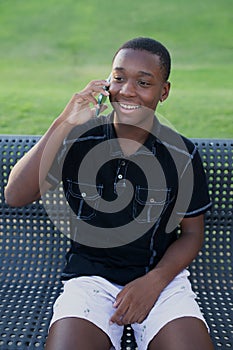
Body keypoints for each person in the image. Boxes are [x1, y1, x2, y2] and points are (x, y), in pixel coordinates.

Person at [5, 37, 214, 350]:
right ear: (106, 82)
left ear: (164, 91)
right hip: (90, 280)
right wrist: (64, 121)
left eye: (144, 82)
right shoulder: (79, 138)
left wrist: (154, 282)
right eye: (118, 78)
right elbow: (16, 195)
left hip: (160, 278)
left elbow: (192, 233)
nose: (127, 90)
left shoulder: (181, 152)